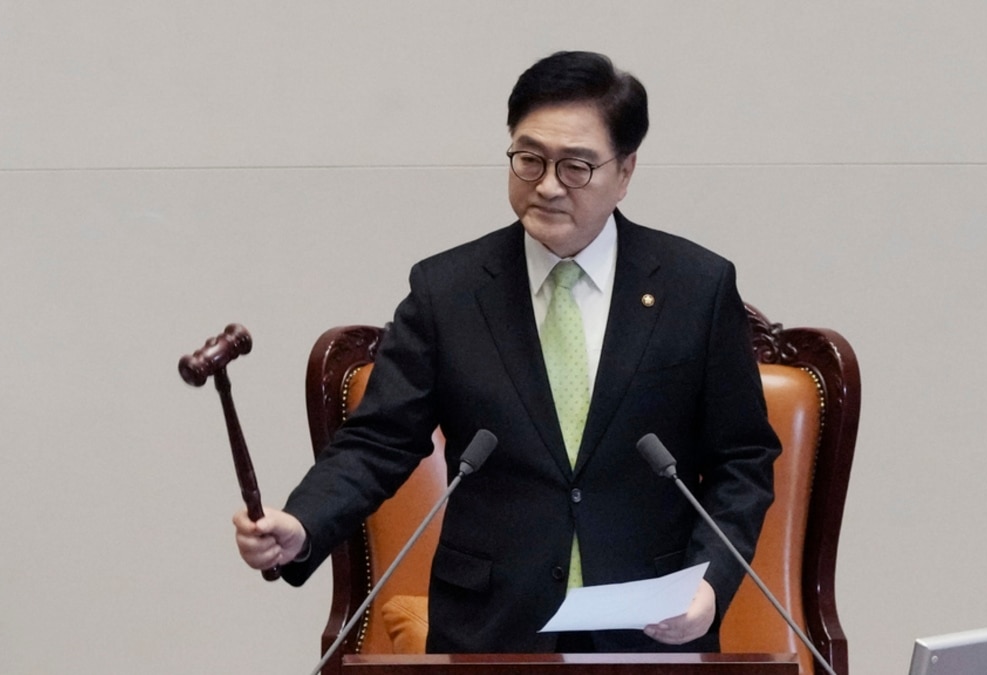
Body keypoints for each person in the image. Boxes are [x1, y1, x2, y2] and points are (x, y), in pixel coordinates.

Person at [233, 50, 781, 654]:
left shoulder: (696, 287)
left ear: (625, 171)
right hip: (491, 629)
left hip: (651, 625)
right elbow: (379, 440)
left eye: (575, 166)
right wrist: (304, 521)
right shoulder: (448, 291)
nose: (546, 185)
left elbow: (741, 459)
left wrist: (709, 582)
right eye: (529, 159)